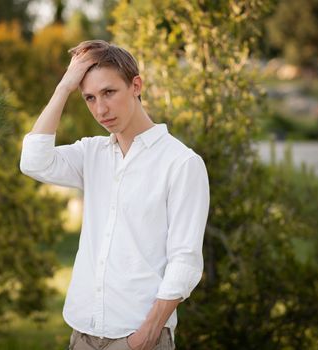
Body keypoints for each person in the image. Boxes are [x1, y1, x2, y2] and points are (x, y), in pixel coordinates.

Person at [20, 40, 210, 350]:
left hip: (138, 338)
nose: (100, 109)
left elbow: (185, 260)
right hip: (82, 334)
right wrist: (64, 88)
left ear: (136, 85)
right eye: (90, 98)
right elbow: (33, 162)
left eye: (109, 93)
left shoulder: (181, 163)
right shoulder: (91, 153)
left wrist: (149, 332)